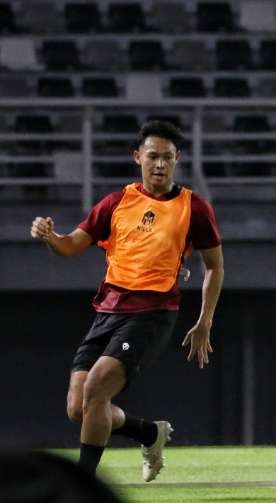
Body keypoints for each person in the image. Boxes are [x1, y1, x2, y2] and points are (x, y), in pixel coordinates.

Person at [29, 120, 223, 481]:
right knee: (79, 407)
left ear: (178, 158)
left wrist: (204, 320)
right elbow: (72, 245)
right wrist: (50, 236)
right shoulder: (116, 203)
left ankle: (82, 484)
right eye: (153, 156)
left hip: (152, 313)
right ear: (138, 157)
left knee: (97, 386)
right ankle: (148, 433)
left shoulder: (193, 207)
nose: (160, 164)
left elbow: (214, 266)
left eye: (168, 157)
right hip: (107, 311)